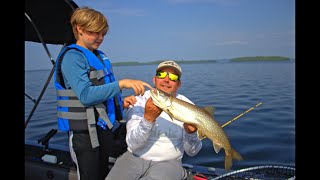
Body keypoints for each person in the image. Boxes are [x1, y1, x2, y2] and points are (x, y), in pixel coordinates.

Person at [53, 7, 152, 180]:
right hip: (84, 135)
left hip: (103, 130)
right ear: (79, 29)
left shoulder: (99, 56)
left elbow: (101, 96)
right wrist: (121, 84)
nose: (100, 38)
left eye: (103, 33)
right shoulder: (73, 57)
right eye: (94, 33)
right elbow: (85, 95)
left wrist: (120, 103)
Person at [106, 60, 202, 180]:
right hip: (134, 157)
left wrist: (191, 134)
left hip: (168, 162)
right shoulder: (139, 101)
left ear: (178, 84)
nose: (166, 80)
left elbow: (192, 152)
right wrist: (148, 119)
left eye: (172, 77)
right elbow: (133, 144)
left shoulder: (189, 107)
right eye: (161, 75)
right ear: (154, 79)